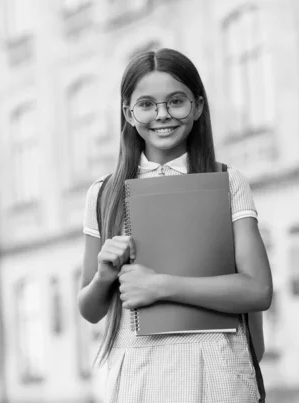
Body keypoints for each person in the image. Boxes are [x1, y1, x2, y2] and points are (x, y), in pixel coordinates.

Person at [78, 48, 273, 403]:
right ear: (128, 112)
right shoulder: (103, 194)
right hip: (138, 373)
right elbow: (89, 310)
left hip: (217, 369)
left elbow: (258, 290)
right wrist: (105, 275)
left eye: (176, 102)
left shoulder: (228, 182)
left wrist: (160, 286)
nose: (162, 115)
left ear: (198, 106)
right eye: (147, 104)